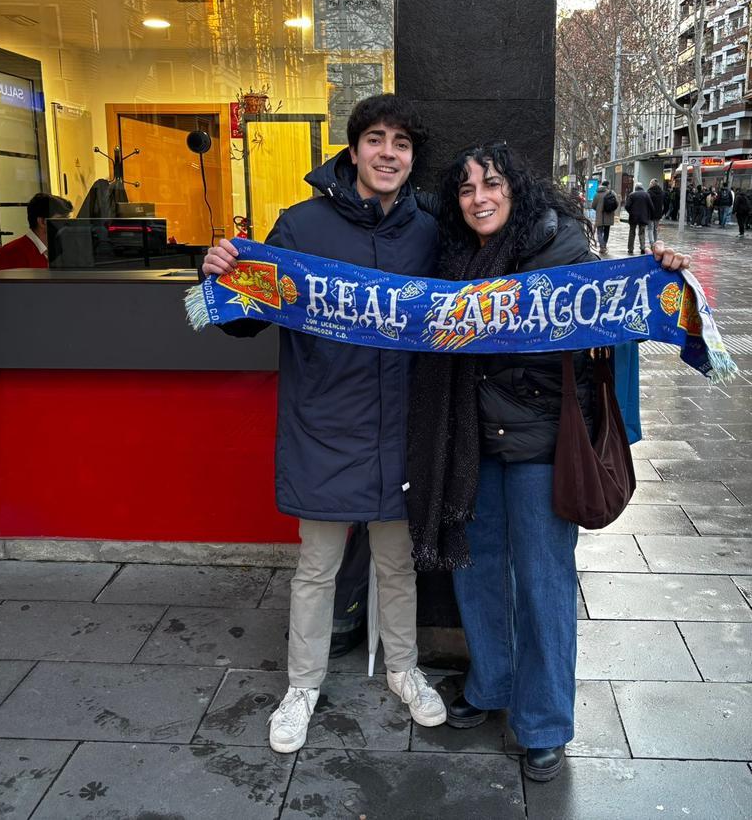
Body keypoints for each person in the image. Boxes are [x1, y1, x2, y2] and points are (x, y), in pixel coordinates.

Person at [407, 141, 689, 783]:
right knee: (476, 570)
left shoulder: (564, 250)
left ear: (517, 190)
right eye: (466, 189)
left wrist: (663, 270)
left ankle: (542, 723)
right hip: (472, 441)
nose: (479, 199)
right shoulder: (454, 255)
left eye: (492, 184)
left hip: (541, 442)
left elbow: (624, 302)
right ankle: (492, 684)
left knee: (543, 582)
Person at [202, 94, 446, 754]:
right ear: (354, 149)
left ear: (412, 158)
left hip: (402, 428)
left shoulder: (430, 231)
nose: (388, 153)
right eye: (376, 139)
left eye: (401, 143)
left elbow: (490, 285)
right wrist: (221, 275)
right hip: (326, 425)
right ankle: (302, 687)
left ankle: (403, 670)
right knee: (317, 568)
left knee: (398, 564)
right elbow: (246, 319)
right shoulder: (302, 226)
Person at [0, 193, 71, 270]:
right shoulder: (11, 254)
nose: (68, 224)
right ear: (42, 222)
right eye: (62, 219)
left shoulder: (60, 251)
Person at [624, 183, 654, 254]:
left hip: (633, 217)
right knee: (642, 233)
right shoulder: (646, 195)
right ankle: (642, 248)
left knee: (632, 233)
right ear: (642, 187)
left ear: (636, 188)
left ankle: (630, 249)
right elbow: (651, 206)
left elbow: (627, 206)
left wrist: (631, 212)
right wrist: (649, 215)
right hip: (643, 217)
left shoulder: (632, 195)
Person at [591, 179, 617, 256]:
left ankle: (602, 247)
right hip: (609, 215)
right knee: (606, 232)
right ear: (607, 185)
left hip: (599, 216)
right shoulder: (611, 193)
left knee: (599, 232)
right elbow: (616, 203)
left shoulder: (597, 194)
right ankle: (604, 246)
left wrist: (598, 209)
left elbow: (593, 205)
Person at [646, 178, 666, 245]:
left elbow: (647, 203)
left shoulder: (649, 192)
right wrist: (663, 212)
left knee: (650, 228)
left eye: (650, 183)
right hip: (658, 214)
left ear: (652, 184)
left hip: (650, 213)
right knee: (655, 229)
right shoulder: (662, 193)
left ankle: (652, 243)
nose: (649, 184)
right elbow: (665, 203)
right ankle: (655, 242)